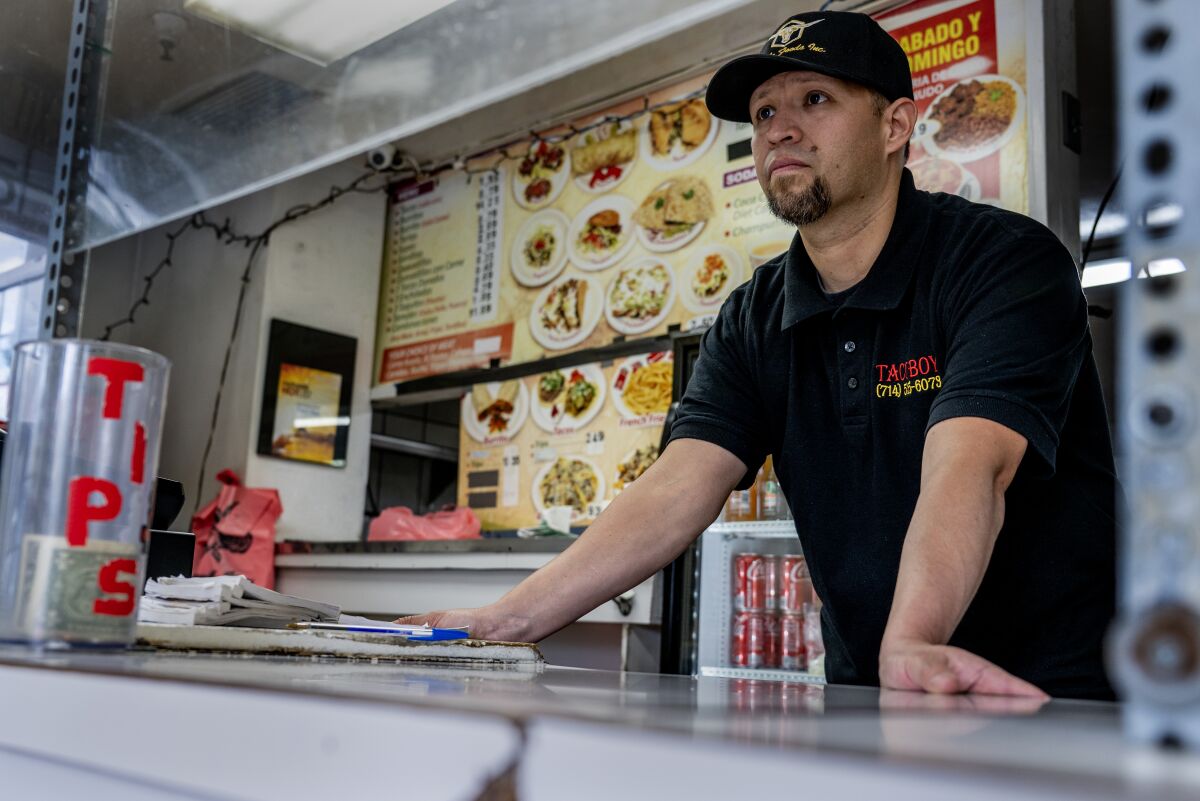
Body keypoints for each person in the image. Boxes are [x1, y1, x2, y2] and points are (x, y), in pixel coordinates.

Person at [403, 11, 1117, 700]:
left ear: (895, 125)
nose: (782, 130)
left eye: (814, 99)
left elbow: (971, 464)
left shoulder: (1003, 263)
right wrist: (507, 620)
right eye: (765, 113)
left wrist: (912, 639)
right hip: (872, 695)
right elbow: (677, 487)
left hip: (1048, 696)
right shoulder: (753, 316)